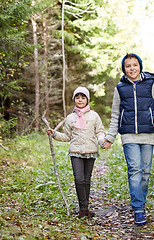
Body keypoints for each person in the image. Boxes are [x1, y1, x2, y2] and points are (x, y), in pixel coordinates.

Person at [102, 53, 154, 226]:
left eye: (134, 65)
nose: (132, 68)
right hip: (128, 135)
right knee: (135, 171)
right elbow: (116, 114)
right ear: (124, 69)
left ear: (140, 66)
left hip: (148, 133)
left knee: (145, 173)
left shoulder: (151, 84)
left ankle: (140, 202)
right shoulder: (120, 88)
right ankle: (138, 209)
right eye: (128, 66)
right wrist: (110, 137)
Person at [47, 87, 106, 218]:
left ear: (87, 100)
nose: (80, 100)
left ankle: (86, 209)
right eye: (77, 97)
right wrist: (54, 134)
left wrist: (102, 140)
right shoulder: (70, 118)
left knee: (86, 180)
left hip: (90, 151)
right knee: (79, 179)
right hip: (76, 152)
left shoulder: (94, 116)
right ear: (74, 99)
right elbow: (67, 136)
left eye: (83, 97)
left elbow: (100, 131)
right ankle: (82, 208)